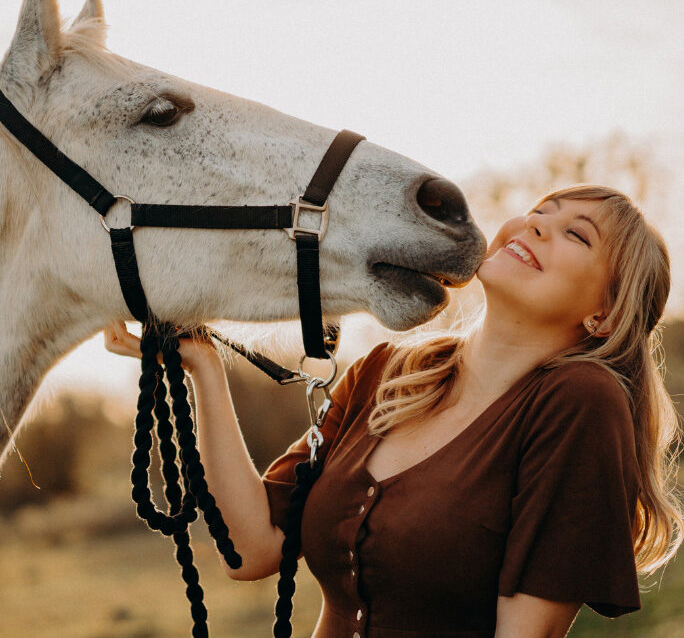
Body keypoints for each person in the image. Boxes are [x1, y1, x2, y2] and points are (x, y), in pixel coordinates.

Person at [103, 183, 682, 637]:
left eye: (575, 234)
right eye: (542, 210)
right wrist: (203, 367)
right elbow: (251, 548)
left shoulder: (581, 401)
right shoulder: (384, 371)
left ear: (604, 315)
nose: (536, 223)